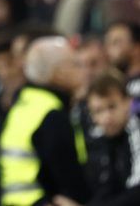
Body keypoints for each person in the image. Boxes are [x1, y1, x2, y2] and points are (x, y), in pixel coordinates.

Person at [0, 36, 90, 206]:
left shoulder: (26, 103)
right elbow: (67, 178)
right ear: (58, 73)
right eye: (75, 64)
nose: (84, 70)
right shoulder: (50, 113)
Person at [52, 70, 140, 206]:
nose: (107, 118)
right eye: (98, 111)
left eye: (112, 107)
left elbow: (137, 192)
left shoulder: (136, 130)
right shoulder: (103, 138)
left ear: (127, 102)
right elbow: (107, 188)